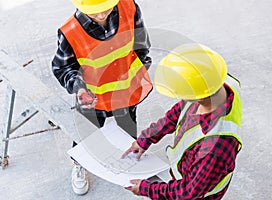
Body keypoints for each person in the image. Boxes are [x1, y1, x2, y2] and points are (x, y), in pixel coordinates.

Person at [51, 0, 152, 195]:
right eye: (94, 12)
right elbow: (62, 67)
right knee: (86, 134)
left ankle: (128, 162)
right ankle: (80, 164)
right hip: (92, 98)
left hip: (126, 90)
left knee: (127, 128)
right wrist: (79, 89)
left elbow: (141, 43)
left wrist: (141, 65)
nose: (100, 15)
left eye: (105, 9)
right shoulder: (70, 31)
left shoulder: (129, 7)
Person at [122, 43, 243, 199]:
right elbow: (179, 111)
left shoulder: (214, 149)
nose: (180, 97)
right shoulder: (217, 82)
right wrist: (146, 138)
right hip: (192, 172)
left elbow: (188, 192)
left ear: (198, 96)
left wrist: (147, 189)